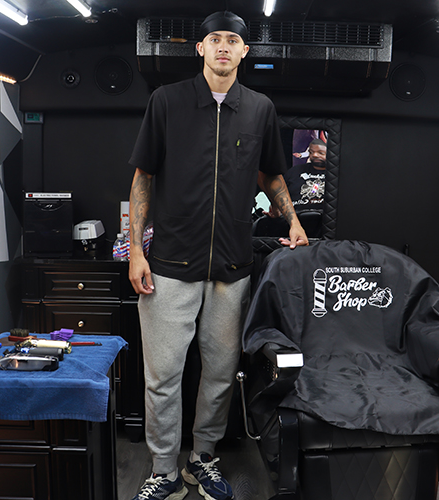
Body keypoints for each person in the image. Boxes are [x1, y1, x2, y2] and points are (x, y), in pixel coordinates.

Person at [126, 10, 308, 500]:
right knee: (163, 378)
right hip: (169, 266)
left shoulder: (260, 109)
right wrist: (136, 252)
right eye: (215, 39)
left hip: (231, 268)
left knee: (222, 374)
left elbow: (271, 175)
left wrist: (292, 219)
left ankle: (201, 460)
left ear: (245, 51)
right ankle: (164, 470)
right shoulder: (167, 102)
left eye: (232, 40)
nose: (223, 46)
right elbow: (143, 177)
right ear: (201, 48)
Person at [284, 138, 327, 212]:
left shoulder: (339, 174)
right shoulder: (294, 171)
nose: (314, 155)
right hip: (296, 216)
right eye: (311, 152)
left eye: (321, 153)